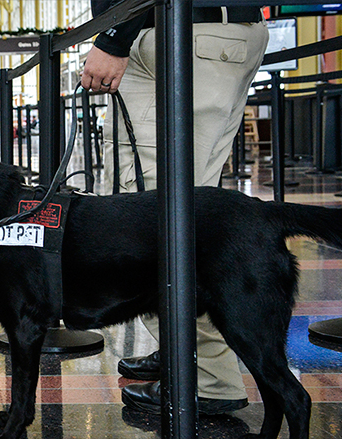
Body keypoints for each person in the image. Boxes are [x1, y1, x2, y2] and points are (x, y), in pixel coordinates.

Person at [81, 3, 269, 415]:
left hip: (177, 29)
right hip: (221, 32)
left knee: (151, 219)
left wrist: (114, 37)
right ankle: (182, 352)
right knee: (193, 204)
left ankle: (210, 380)